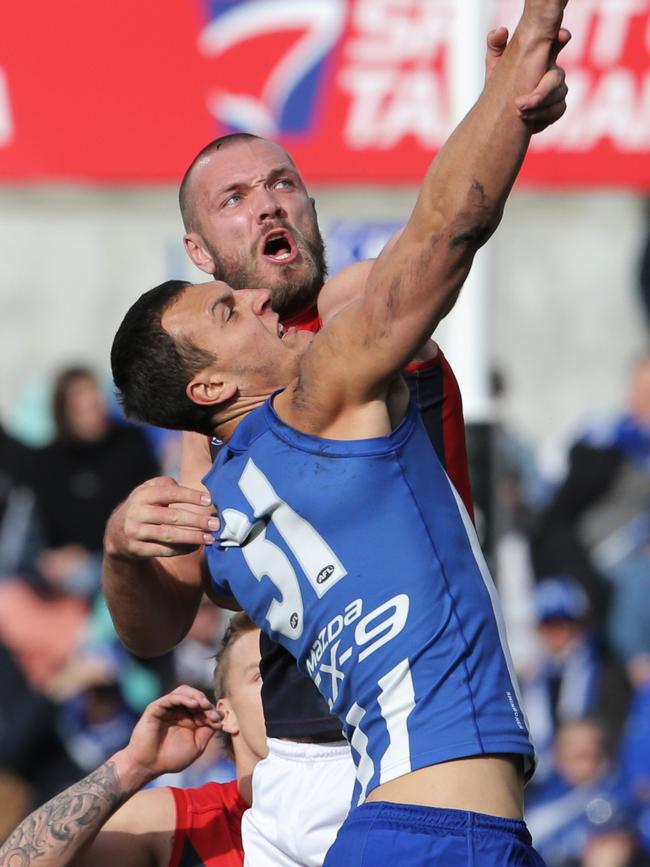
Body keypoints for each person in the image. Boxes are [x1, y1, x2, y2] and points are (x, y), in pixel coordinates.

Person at [110, 2, 568, 862]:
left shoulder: (315, 354)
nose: (269, 203)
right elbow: (447, 226)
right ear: (200, 248)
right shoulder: (297, 400)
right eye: (236, 198)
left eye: (284, 182)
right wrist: (511, 90)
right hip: (358, 777)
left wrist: (505, 117)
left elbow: (432, 239)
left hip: (397, 781)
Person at [0, 612, 264, 867]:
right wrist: (134, 764)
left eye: (292, 676)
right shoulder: (183, 819)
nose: (283, 692)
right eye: (261, 675)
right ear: (226, 713)